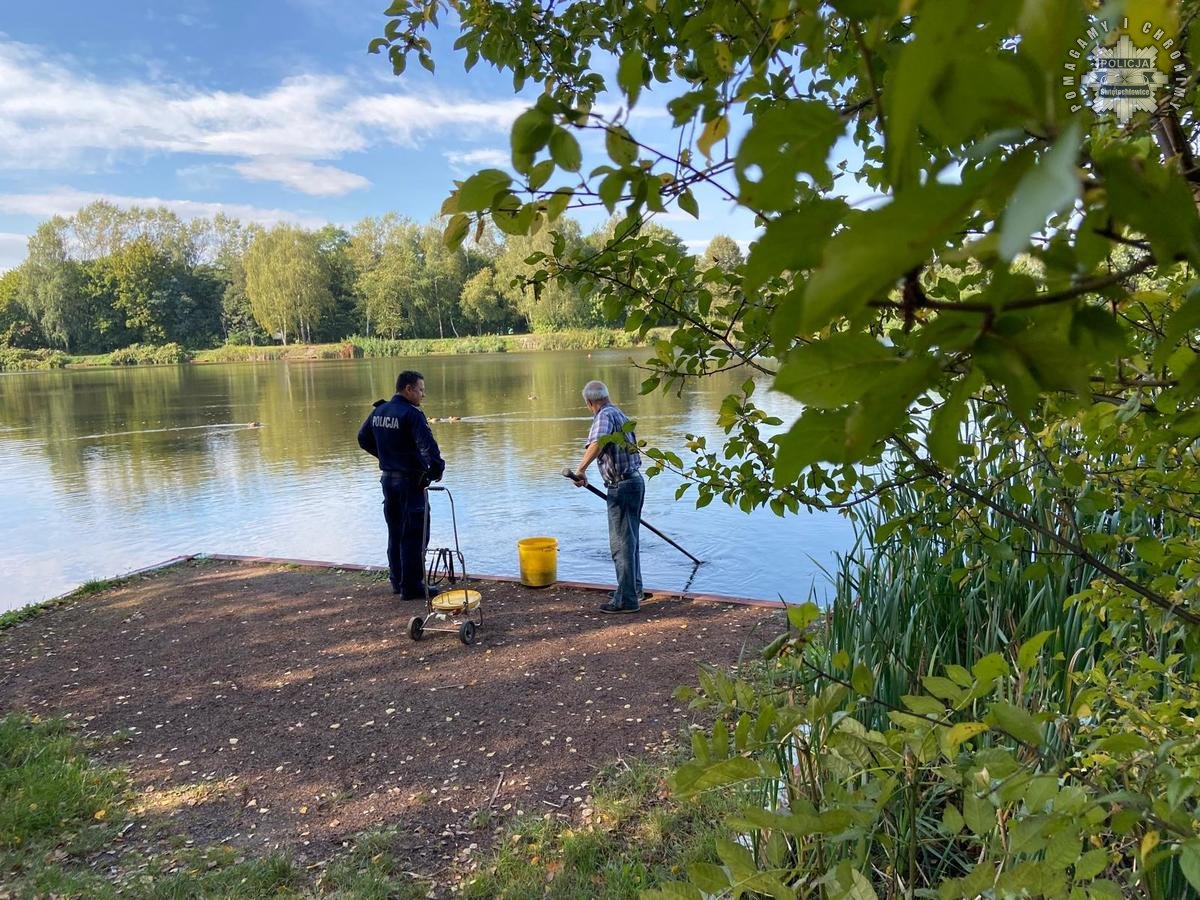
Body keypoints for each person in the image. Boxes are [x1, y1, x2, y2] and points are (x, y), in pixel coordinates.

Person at [357, 371, 446, 600]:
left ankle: (397, 581)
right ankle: (412, 586)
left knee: (395, 531)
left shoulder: (379, 411)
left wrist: (385, 457)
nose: (423, 395)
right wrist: (435, 470)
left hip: (388, 480)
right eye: (420, 389)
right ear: (408, 389)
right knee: (415, 533)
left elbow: (362, 438)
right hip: (410, 482)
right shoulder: (411, 414)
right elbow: (428, 448)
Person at [570, 380, 644, 613]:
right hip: (634, 482)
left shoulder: (603, 416)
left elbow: (598, 443)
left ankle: (626, 601)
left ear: (589, 402)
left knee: (621, 544)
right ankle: (633, 589)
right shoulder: (618, 413)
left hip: (622, 486)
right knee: (630, 541)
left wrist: (580, 469)